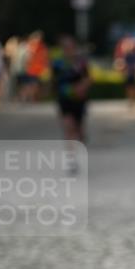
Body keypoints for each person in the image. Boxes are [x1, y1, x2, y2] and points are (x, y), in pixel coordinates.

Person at [51, 35, 90, 174]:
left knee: (79, 132)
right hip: (64, 100)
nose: (68, 50)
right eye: (65, 48)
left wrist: (81, 87)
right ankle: (72, 161)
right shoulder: (57, 63)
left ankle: (81, 141)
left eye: (70, 47)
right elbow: (54, 82)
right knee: (69, 128)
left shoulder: (81, 62)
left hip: (79, 101)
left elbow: (88, 79)